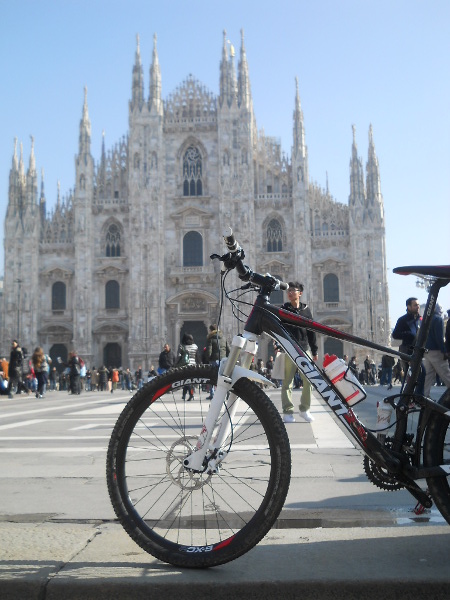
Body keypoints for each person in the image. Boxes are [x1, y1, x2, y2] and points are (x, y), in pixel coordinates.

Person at [280, 281, 318, 423]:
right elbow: (280, 328)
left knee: (308, 380)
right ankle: (288, 412)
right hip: (289, 349)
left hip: (304, 349)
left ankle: (305, 409)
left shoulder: (306, 310)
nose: (289, 293)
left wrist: (314, 351)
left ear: (300, 293)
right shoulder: (284, 309)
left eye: (293, 290)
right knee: (287, 382)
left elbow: (311, 331)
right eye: (288, 291)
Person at [392, 297, 422, 381]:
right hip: (407, 350)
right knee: (411, 374)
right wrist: (409, 334)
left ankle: (418, 392)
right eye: (415, 305)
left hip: (419, 349)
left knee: (421, 373)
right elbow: (395, 334)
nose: (418, 307)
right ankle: (408, 392)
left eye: (418, 305)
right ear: (409, 307)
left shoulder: (420, 319)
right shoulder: (402, 320)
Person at [423, 304, 450, 397]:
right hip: (436, 350)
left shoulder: (426, 319)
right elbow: (439, 337)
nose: (442, 310)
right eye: (440, 308)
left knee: (428, 375)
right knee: (446, 373)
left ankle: (424, 395)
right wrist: (444, 351)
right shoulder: (438, 319)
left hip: (426, 351)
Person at [205, 324, 228, 399]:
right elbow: (228, 349)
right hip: (223, 360)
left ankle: (213, 394)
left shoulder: (210, 338)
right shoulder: (224, 338)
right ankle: (226, 393)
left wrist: (208, 359)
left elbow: (209, 350)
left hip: (214, 360)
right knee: (223, 377)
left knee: (212, 377)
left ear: (211, 330)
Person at [181, 333, 199, 401]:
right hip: (193, 365)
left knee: (186, 381)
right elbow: (197, 357)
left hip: (186, 366)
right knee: (189, 382)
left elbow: (180, 356)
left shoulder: (184, 347)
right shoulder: (195, 346)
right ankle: (185, 395)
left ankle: (190, 395)